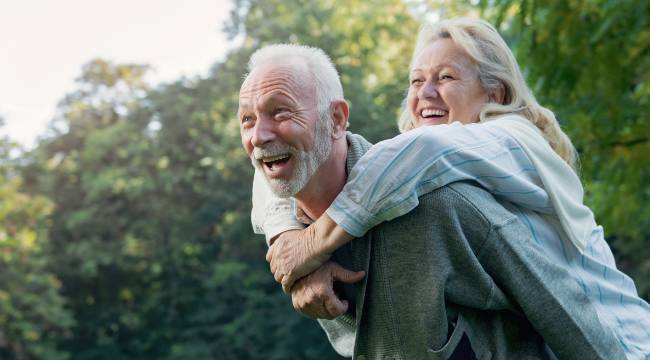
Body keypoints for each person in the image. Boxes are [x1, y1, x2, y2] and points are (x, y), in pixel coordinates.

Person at [261, 18, 650, 359]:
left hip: (620, 344)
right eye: (416, 80)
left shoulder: (515, 140)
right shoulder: (402, 174)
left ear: (494, 94)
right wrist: (288, 241)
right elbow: (286, 162)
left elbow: (421, 152)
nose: (425, 93)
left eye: (445, 77)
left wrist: (314, 243)